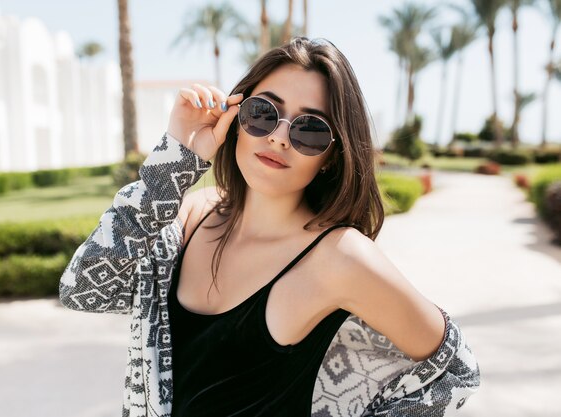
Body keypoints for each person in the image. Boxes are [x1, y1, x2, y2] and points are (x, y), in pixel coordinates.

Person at [59, 37, 480, 417]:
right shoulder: (190, 214)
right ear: (236, 115)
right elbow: (85, 292)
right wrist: (177, 158)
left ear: (331, 156)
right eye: (264, 113)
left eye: (310, 130)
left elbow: (456, 369)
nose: (279, 137)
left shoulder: (338, 257)